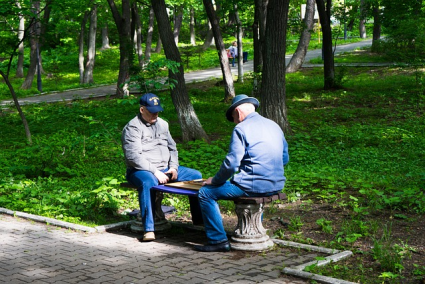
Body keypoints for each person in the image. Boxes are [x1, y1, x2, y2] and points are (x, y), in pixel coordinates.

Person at [194, 95, 289, 252]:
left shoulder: (241, 128)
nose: (235, 122)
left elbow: (231, 164)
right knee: (240, 185)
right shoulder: (274, 125)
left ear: (237, 112)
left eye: (234, 118)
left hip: (252, 186)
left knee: (205, 193)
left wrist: (215, 181)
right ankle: (254, 230)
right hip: (277, 184)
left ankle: (217, 240)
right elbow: (284, 158)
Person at [122, 93, 203, 242]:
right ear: (142, 109)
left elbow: (173, 148)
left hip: (165, 168)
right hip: (141, 170)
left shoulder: (163, 124)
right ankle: (149, 229)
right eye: (152, 111)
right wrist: (155, 171)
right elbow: (133, 157)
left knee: (196, 175)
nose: (155, 114)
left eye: (157, 111)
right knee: (147, 183)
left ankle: (199, 222)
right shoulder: (132, 128)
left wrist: (174, 168)